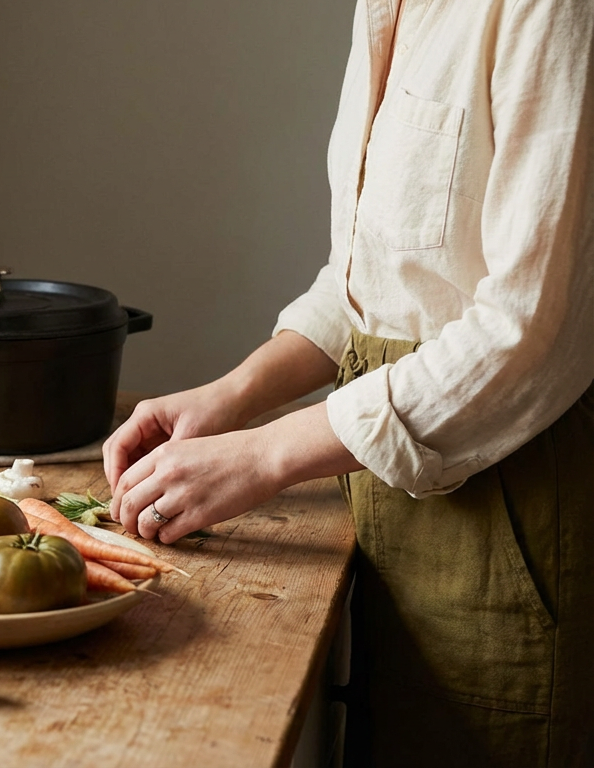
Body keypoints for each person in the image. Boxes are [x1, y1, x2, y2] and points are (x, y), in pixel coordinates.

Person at [102, 1, 594, 766]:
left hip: (513, 519)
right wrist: (230, 398)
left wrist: (266, 456)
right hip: (381, 507)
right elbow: (371, 282)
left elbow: (528, 329)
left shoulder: (551, 12)